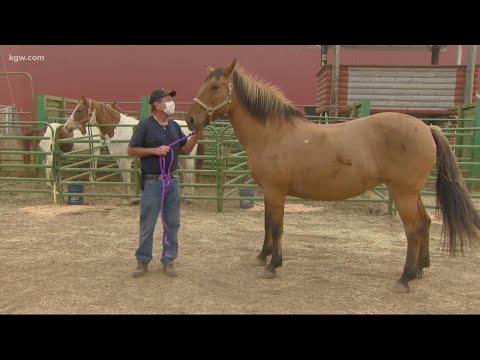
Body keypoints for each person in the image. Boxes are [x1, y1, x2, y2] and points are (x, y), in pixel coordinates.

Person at [127, 88, 202, 278]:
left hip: (172, 180)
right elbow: (131, 150)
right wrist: (155, 151)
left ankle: (168, 260)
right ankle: (143, 260)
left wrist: (196, 136)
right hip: (152, 182)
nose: (171, 102)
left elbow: (184, 150)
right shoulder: (145, 126)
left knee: (172, 223)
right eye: (167, 99)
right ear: (157, 105)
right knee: (148, 223)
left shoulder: (174, 126)